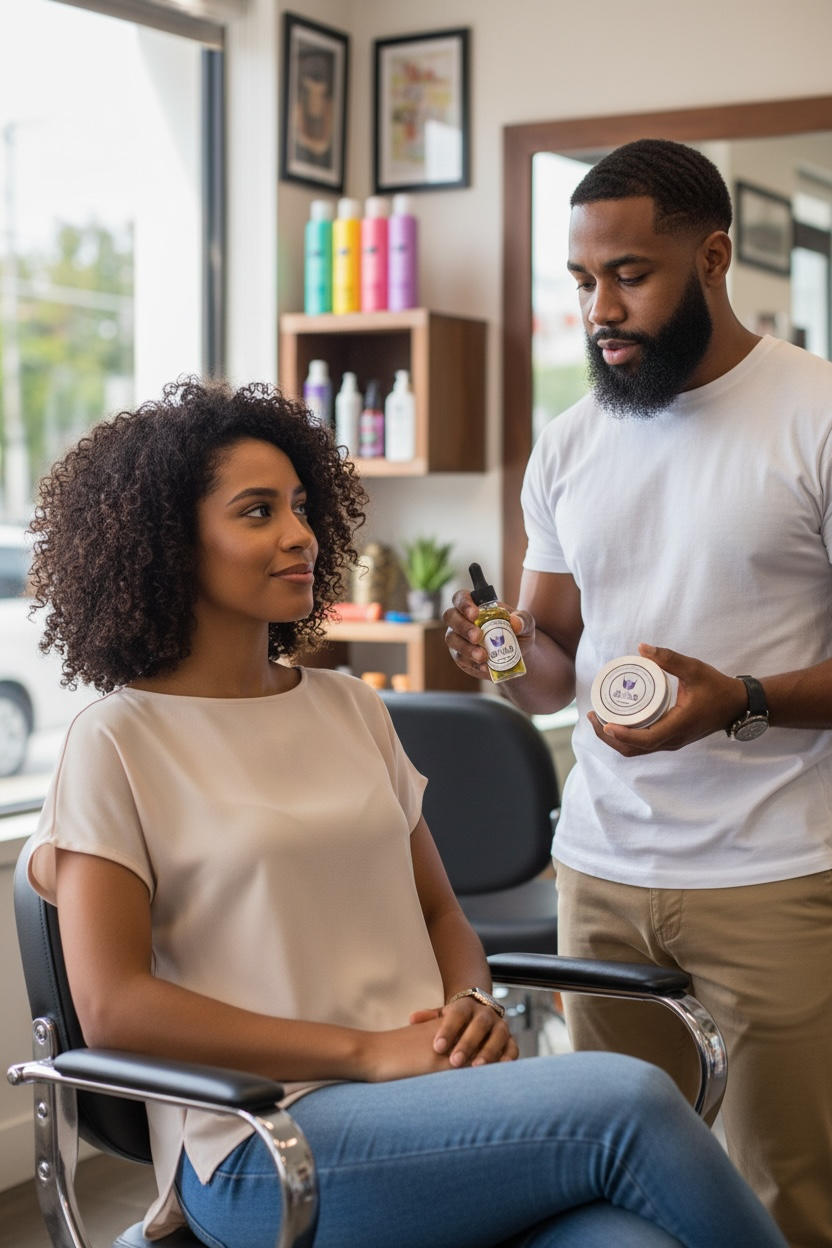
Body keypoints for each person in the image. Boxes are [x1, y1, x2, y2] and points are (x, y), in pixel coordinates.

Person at [25, 378, 786, 1248]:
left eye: (301, 507)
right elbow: (115, 1007)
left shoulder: (350, 706)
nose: (300, 534)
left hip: (432, 1100)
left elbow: (439, 915)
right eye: (257, 512)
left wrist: (469, 1000)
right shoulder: (116, 741)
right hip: (263, 1141)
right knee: (631, 1099)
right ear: (170, 543)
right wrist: (365, 1051)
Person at [444, 138, 832, 1248]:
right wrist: (500, 657)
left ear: (712, 259)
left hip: (774, 873)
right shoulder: (569, 444)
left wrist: (741, 698)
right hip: (602, 873)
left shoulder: (813, 413)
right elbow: (551, 668)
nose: (600, 310)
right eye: (581, 280)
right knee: (621, 1193)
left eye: (629, 275)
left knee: (787, 1194)